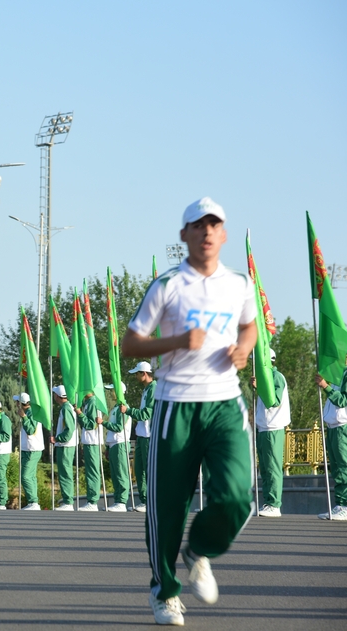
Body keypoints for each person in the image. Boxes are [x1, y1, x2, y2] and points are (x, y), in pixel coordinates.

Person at [122, 196, 257, 626]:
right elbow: (132, 344)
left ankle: (199, 549)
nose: (207, 232)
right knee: (167, 507)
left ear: (224, 233)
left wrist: (245, 348)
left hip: (224, 403)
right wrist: (177, 341)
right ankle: (164, 592)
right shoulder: (167, 286)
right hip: (175, 404)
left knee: (238, 495)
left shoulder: (239, 284)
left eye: (214, 225)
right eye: (198, 226)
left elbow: (250, 324)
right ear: (184, 235)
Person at [252, 349, 289, 518]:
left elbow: (274, 400)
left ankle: (274, 504)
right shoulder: (265, 379)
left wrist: (259, 386)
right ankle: (268, 502)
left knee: (272, 468)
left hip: (273, 428)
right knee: (265, 469)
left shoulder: (276, 377)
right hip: (264, 427)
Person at [316, 352, 347, 521]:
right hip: (334, 427)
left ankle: (345, 505)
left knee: (344, 467)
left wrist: (325, 386)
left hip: (343, 427)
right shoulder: (338, 375)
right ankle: (340, 504)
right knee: (336, 468)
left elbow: (343, 401)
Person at [126, 361, 156, 512]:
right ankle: (144, 501)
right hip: (141, 435)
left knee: (148, 469)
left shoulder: (153, 388)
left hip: (150, 436)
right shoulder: (146, 390)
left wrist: (129, 411)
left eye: (137, 374)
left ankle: (151, 502)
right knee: (139, 469)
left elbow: (147, 414)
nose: (136, 376)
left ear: (144, 373)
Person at [104, 386, 132, 512]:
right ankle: (117, 500)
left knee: (121, 473)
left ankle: (122, 501)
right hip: (113, 444)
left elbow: (118, 427)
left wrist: (103, 423)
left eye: (113, 390)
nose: (111, 393)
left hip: (121, 443)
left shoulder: (124, 407)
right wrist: (107, 447)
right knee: (115, 475)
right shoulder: (115, 408)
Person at [50, 385, 77, 511]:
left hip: (65, 445)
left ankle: (68, 502)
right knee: (64, 473)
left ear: (58, 396)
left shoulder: (66, 408)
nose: (54, 396)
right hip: (65, 445)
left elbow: (69, 429)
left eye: (55, 394)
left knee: (65, 473)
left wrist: (57, 438)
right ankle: (67, 501)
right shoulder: (66, 407)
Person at [77, 392, 104, 512]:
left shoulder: (93, 402)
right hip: (88, 441)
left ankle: (93, 501)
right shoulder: (87, 403)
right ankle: (91, 500)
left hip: (93, 441)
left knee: (93, 471)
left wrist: (79, 413)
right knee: (90, 472)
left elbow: (90, 424)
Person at [17, 393, 44, 511]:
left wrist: (24, 417)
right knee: (31, 476)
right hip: (28, 448)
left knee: (26, 476)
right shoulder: (29, 412)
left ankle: (33, 502)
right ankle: (33, 501)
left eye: (17, 401)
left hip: (32, 449)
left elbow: (30, 429)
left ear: (21, 403)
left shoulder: (31, 413)